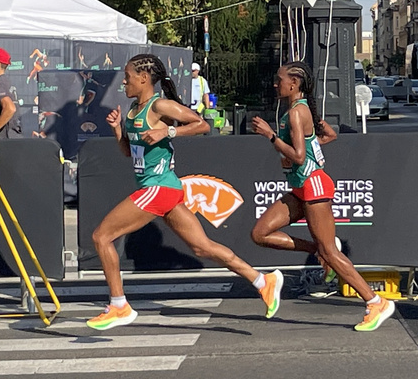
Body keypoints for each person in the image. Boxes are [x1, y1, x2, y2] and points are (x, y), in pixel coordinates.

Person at [88, 54, 278, 329]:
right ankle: (262, 281)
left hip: (160, 188)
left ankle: (119, 305)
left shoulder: (160, 105)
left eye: (128, 77)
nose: (124, 82)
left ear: (144, 78)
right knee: (203, 247)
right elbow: (130, 152)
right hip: (163, 190)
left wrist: (169, 133)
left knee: (101, 236)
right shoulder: (133, 109)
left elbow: (202, 124)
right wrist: (118, 130)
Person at [251, 63, 395, 331]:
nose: (275, 84)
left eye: (279, 79)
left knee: (330, 251)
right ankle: (319, 251)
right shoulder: (300, 110)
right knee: (261, 233)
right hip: (301, 187)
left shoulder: (296, 113)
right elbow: (328, 136)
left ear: (294, 83)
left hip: (314, 188)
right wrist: (298, 155)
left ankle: (375, 301)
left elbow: (299, 156)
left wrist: (271, 137)